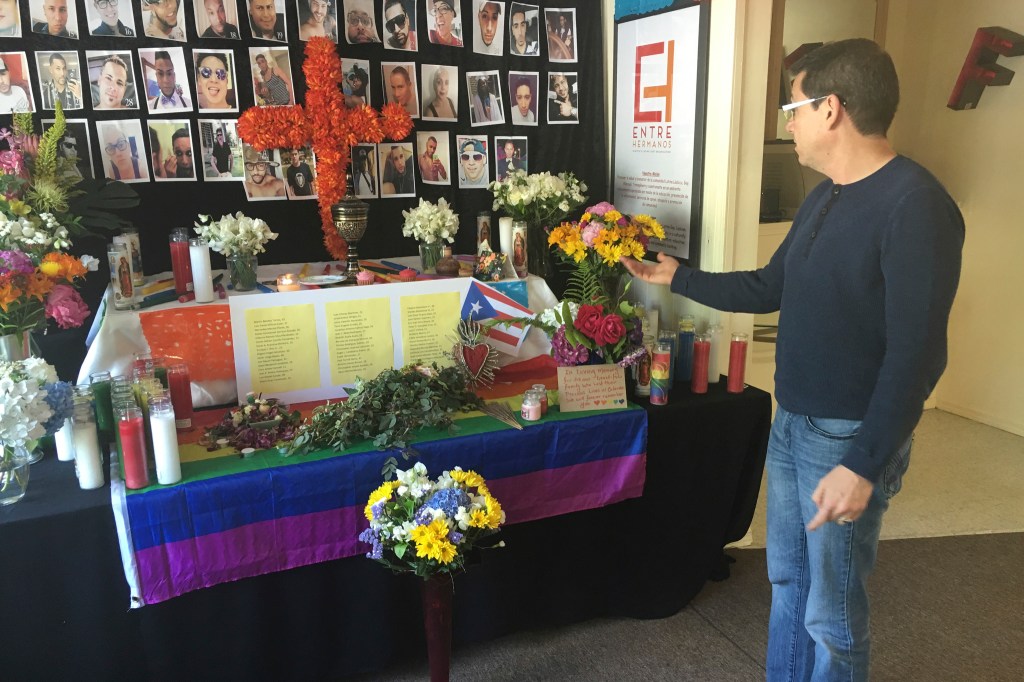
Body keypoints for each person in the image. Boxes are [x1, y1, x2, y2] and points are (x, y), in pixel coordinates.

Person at [621, 39, 964, 680]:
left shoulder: (916, 207)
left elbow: (917, 356)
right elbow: (768, 288)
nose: (788, 122)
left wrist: (863, 464)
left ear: (830, 108)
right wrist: (677, 275)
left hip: (846, 437)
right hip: (793, 421)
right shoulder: (827, 193)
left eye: (793, 106)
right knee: (788, 585)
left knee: (830, 618)